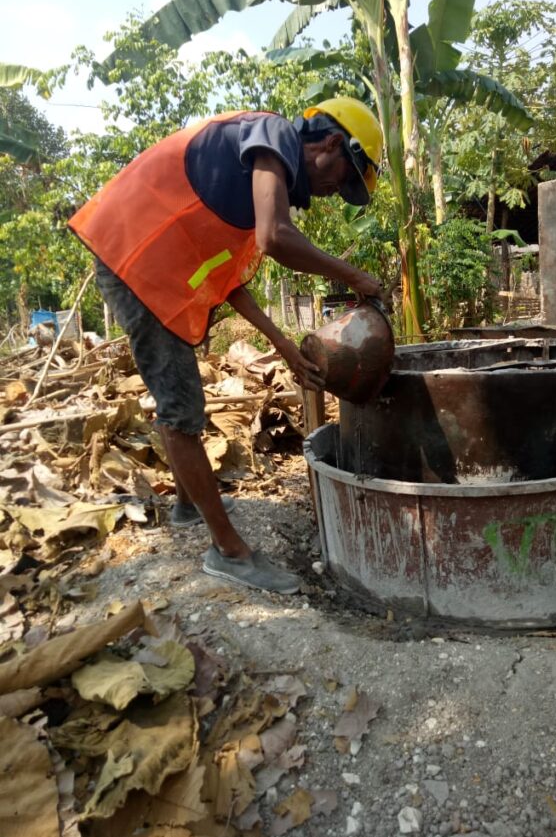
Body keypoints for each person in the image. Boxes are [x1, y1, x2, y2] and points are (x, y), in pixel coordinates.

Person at [68, 96, 384, 595]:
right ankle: (229, 553)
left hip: (149, 264)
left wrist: (282, 344)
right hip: (132, 258)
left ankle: (190, 504)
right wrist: (355, 277)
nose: (332, 192)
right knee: (181, 410)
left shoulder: (248, 187)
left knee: (180, 402)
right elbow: (276, 237)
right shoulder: (274, 133)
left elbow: (227, 280)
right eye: (343, 177)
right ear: (330, 143)